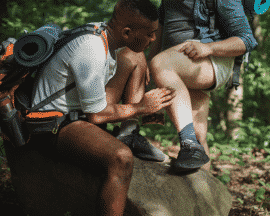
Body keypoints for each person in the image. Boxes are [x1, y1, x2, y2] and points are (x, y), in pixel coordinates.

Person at [30, 0, 176, 215]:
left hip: (77, 113)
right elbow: (97, 116)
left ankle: (128, 132)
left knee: (135, 55)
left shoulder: (104, 34)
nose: (154, 39)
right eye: (150, 34)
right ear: (126, 32)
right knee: (121, 158)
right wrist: (141, 107)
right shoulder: (92, 50)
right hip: (52, 124)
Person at [148, 0, 258, 172]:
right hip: (177, 64)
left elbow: (246, 40)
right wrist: (150, 76)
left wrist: (208, 48)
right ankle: (206, 194)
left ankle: (189, 145)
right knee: (199, 136)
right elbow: (159, 39)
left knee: (160, 62)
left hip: (210, 60)